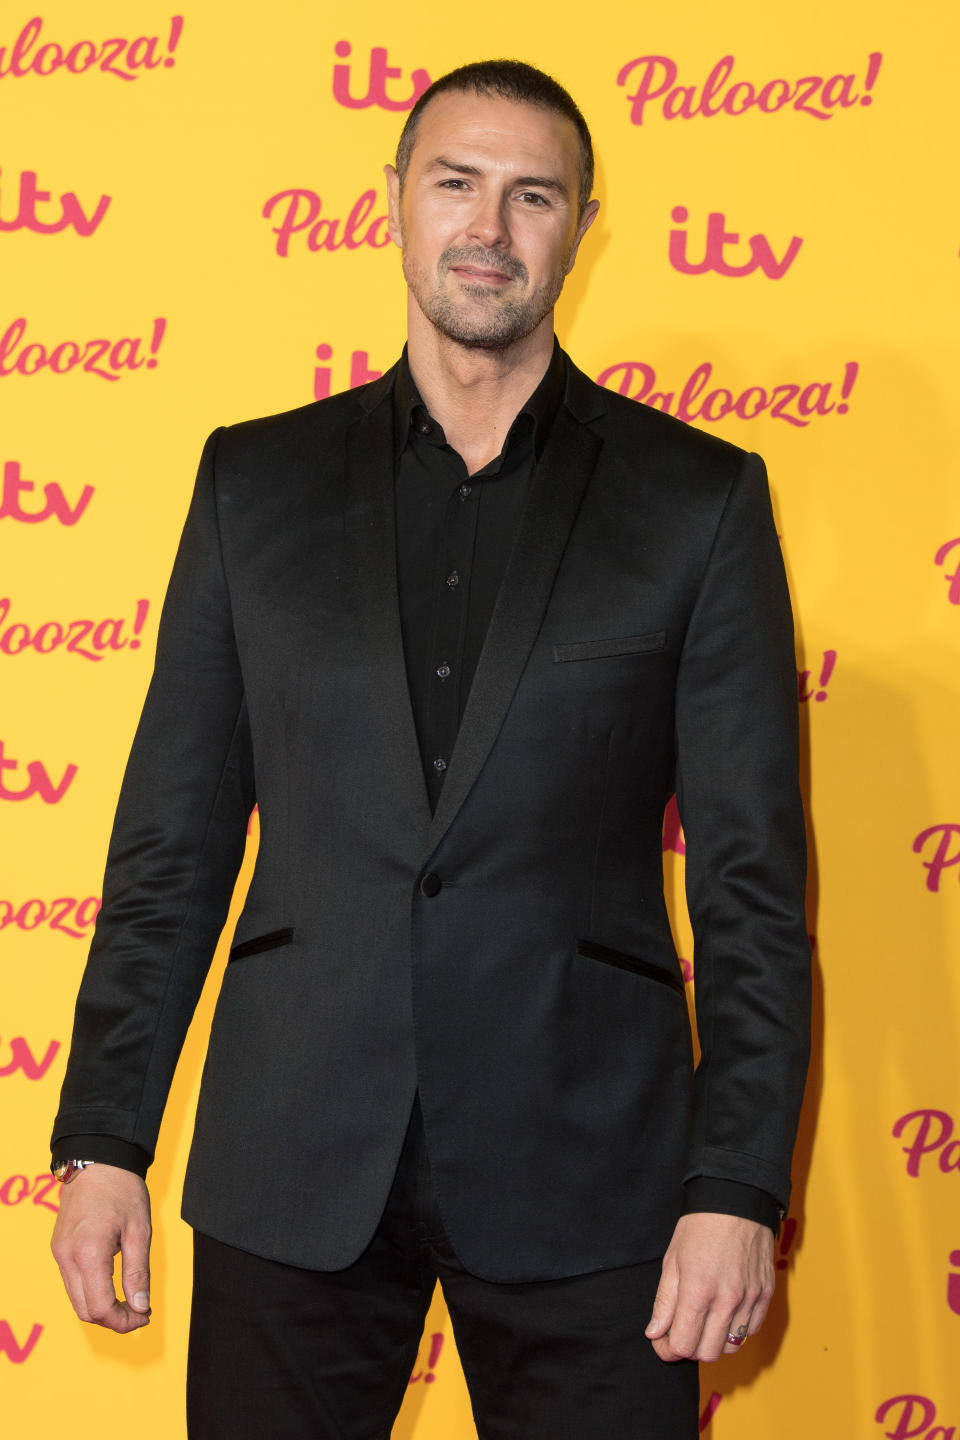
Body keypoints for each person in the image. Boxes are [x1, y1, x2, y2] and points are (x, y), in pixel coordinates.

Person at [50, 59, 810, 1440]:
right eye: (455, 184)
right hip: (295, 1156)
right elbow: (172, 846)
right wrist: (105, 1141)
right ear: (392, 204)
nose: (489, 227)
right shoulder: (251, 484)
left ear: (582, 225)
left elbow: (753, 893)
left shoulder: (696, 502)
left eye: (534, 196)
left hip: (593, 1170)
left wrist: (736, 1188)